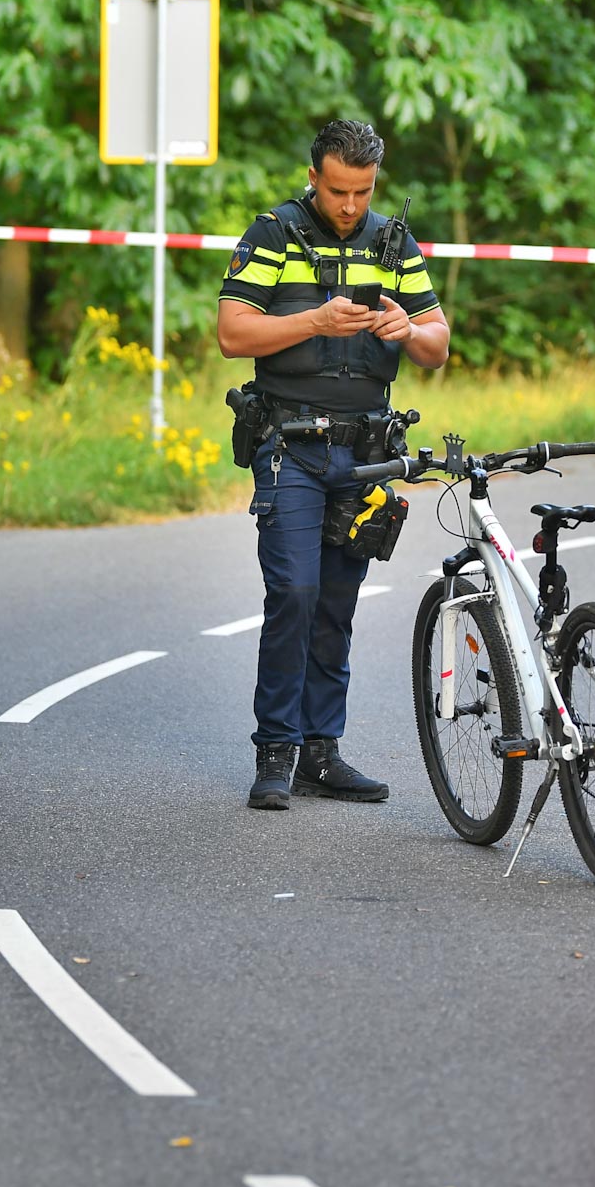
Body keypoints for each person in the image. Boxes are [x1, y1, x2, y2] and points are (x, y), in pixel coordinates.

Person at [216, 119, 452, 811]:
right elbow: (232, 332)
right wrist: (315, 322)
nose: (350, 205)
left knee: (336, 604)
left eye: (363, 191)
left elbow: (438, 345)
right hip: (289, 445)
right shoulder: (272, 235)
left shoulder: (394, 243)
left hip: (366, 452)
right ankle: (276, 752)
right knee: (294, 593)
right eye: (338, 190)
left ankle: (321, 751)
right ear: (313, 176)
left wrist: (410, 330)